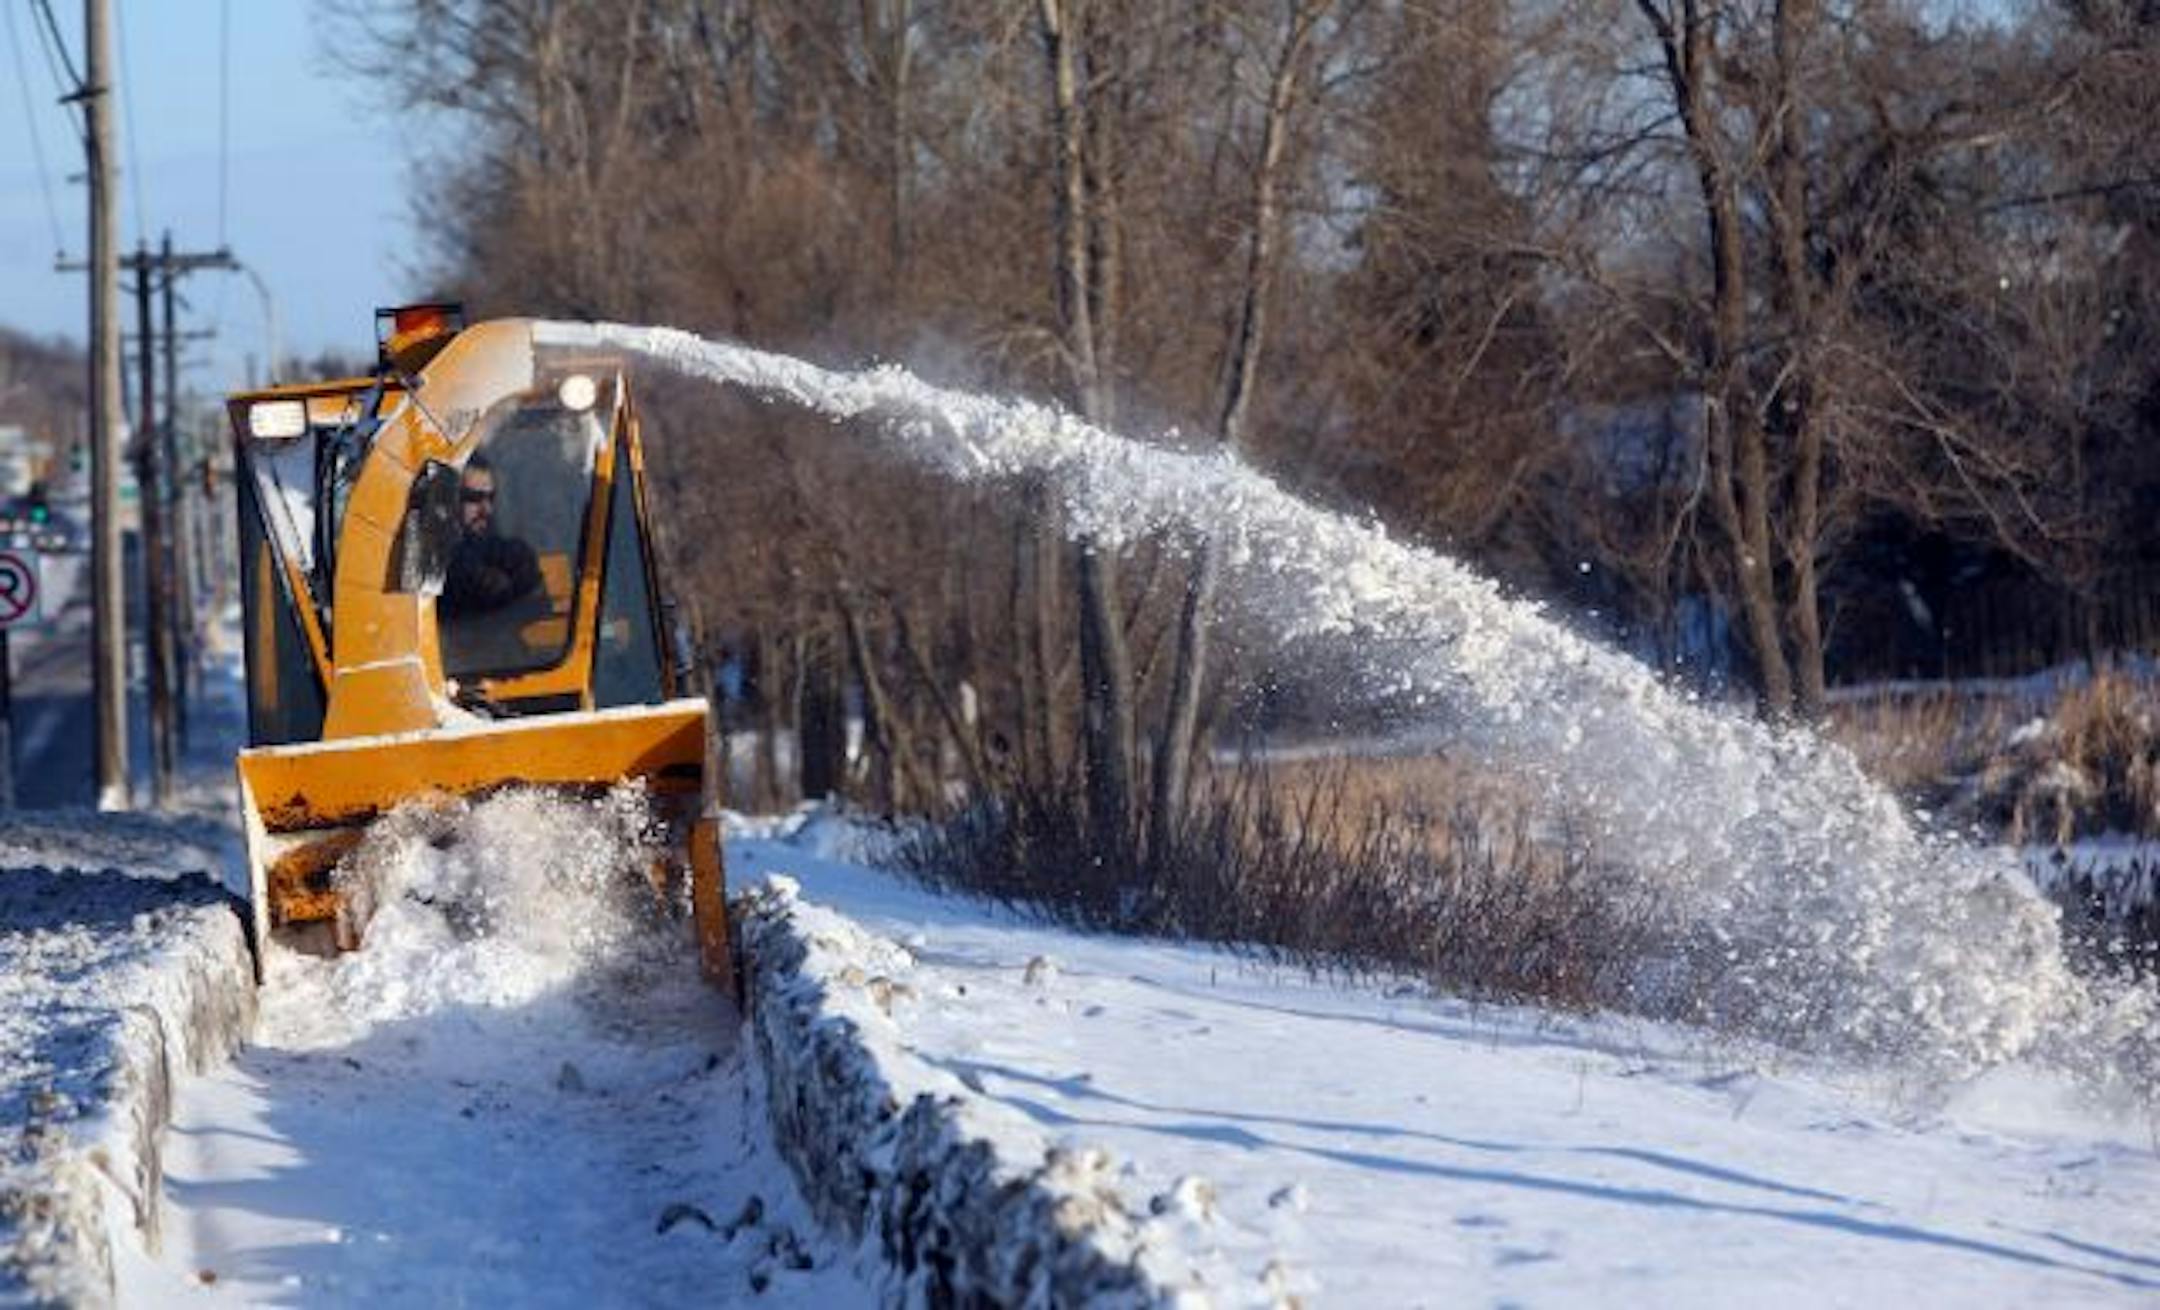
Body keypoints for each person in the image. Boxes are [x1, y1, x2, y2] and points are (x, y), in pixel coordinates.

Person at [441, 455, 540, 619]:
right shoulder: (433, 561)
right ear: (446, 501)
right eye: (473, 498)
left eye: (490, 498)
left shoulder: (497, 549)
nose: (487, 510)